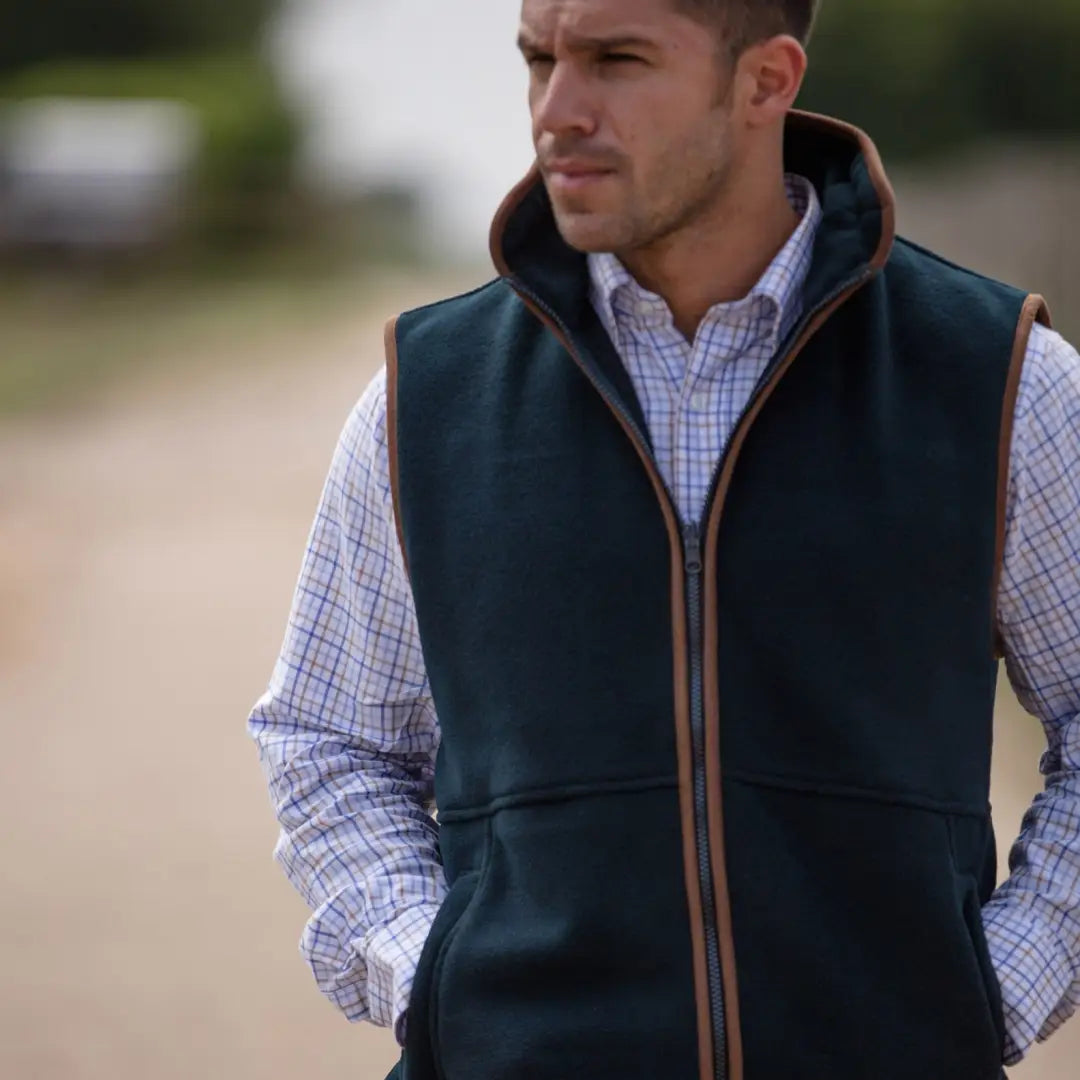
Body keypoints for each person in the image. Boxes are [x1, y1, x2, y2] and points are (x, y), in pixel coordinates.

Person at [248, 1, 1080, 1077]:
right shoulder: (428, 395)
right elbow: (328, 741)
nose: (556, 109)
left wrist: (991, 990)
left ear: (766, 82)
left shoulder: (999, 378)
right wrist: (446, 979)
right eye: (539, 60)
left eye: (615, 61)